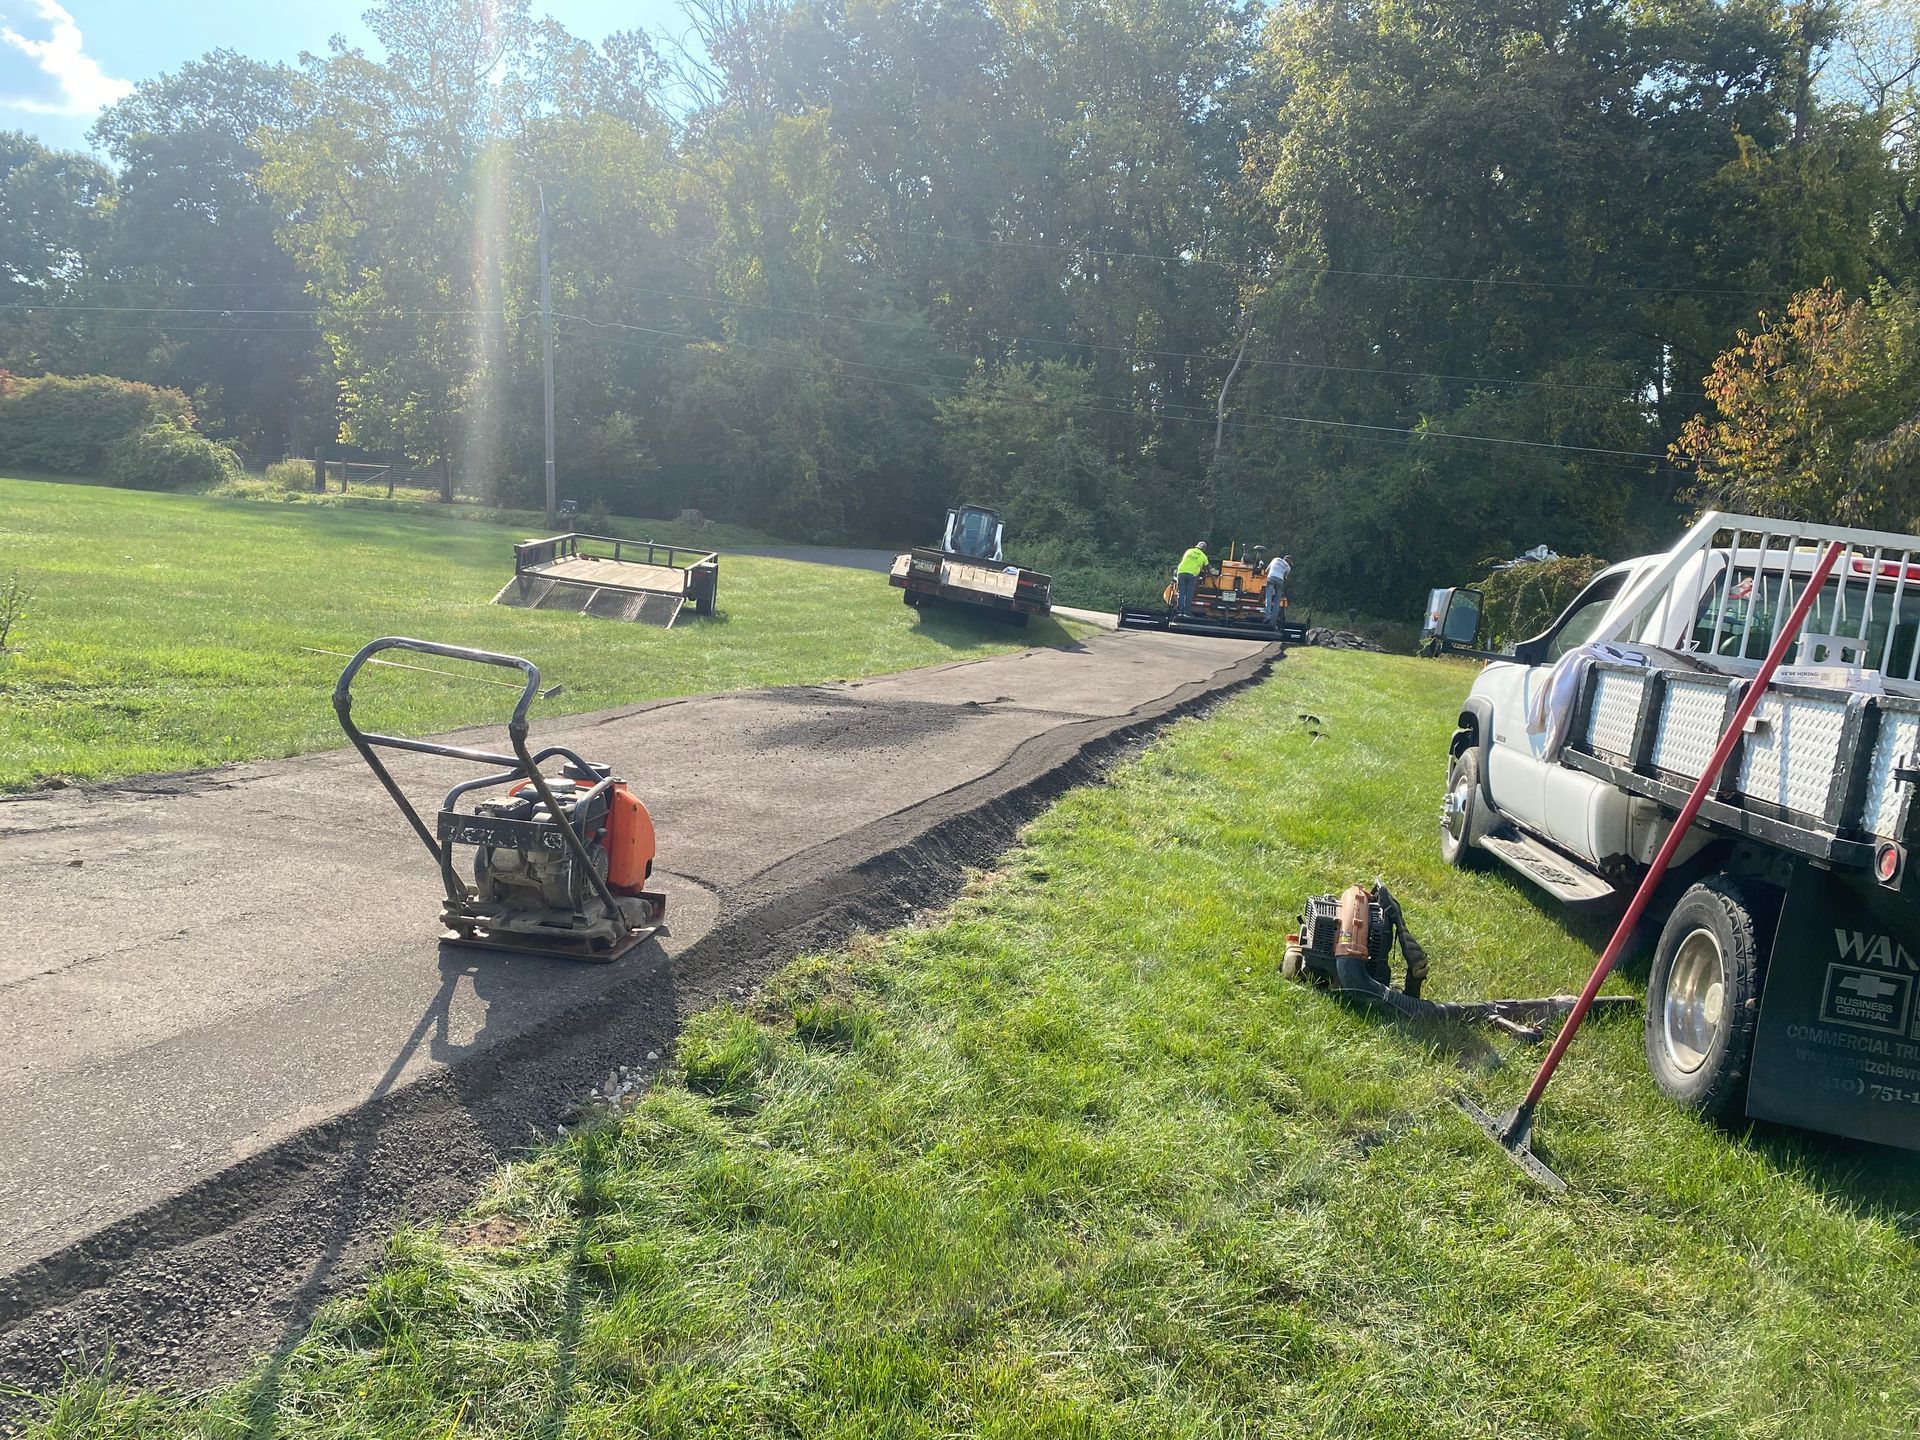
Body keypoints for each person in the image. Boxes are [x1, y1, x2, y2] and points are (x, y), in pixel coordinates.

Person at [1174, 540, 1210, 616]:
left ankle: (1179, 611)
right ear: (1204, 549)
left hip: (1181, 572)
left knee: (1181, 593)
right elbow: (1207, 570)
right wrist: (1208, 574)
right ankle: (1187, 612)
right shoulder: (1203, 556)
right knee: (1188, 594)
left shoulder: (1189, 551)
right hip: (1192, 575)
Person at [1263, 553, 1292, 625]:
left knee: (1268, 598)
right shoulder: (1288, 567)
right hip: (1280, 581)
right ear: (1289, 562)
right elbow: (1285, 578)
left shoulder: (1275, 559)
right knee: (1277, 601)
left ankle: (1267, 617)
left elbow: (1266, 571)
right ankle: (1273, 621)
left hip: (1271, 578)